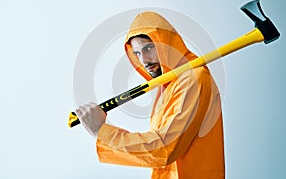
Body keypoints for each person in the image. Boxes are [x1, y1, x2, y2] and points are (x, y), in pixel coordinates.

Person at [76, 12, 225, 179]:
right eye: (138, 53)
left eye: (148, 48)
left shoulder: (193, 79)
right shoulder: (169, 84)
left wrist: (102, 131)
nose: (144, 60)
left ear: (167, 43)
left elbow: (163, 148)